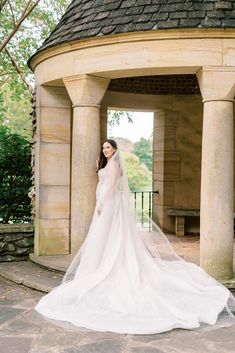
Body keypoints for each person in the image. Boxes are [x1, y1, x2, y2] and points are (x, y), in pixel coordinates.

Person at [35, 139, 235, 334]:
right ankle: (99, 265)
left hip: (108, 204)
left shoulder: (113, 166)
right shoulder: (107, 164)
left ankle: (104, 266)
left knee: (104, 236)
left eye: (108, 147)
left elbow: (111, 186)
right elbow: (103, 183)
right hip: (104, 203)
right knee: (102, 238)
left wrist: (102, 203)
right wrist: (99, 170)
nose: (105, 150)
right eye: (103, 147)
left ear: (114, 150)